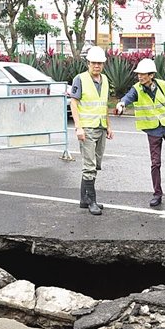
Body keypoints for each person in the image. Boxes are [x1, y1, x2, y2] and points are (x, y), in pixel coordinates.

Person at [115, 58, 165, 207]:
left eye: (143, 74)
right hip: (153, 129)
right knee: (155, 163)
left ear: (151, 75)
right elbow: (127, 97)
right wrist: (121, 104)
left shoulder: (163, 85)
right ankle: (157, 194)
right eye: (138, 74)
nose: (140, 76)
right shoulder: (137, 88)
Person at [70, 46, 113, 215]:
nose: (97, 66)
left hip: (101, 127)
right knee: (89, 166)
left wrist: (109, 126)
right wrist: (78, 127)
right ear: (88, 63)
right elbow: (74, 103)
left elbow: (104, 105)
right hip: (87, 128)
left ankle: (84, 199)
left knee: (96, 164)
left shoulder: (105, 79)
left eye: (100, 63)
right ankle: (92, 201)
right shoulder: (79, 79)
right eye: (94, 63)